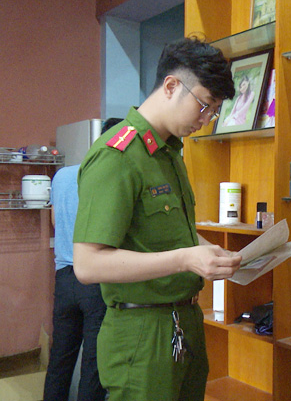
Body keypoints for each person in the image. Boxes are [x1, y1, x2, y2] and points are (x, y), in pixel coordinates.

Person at [72, 37, 242, 401]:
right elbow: (87, 265)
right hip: (141, 331)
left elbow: (170, 235)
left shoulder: (169, 155)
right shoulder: (118, 156)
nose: (205, 121)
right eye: (204, 106)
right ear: (171, 86)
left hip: (184, 322)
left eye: (213, 112)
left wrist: (209, 253)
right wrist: (185, 259)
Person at [43, 118, 120, 401]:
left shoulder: (62, 176)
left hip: (64, 277)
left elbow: (55, 221)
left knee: (60, 357)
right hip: (95, 280)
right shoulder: (108, 177)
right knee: (93, 363)